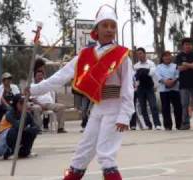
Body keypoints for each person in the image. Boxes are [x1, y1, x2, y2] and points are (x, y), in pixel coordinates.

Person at [27, 5, 134, 180]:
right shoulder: (85, 54)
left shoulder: (122, 55)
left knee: (106, 155)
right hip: (97, 108)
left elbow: (128, 87)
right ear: (96, 30)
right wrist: (33, 89)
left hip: (116, 108)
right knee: (81, 154)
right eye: (104, 25)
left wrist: (125, 115)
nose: (109, 29)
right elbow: (60, 77)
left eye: (112, 26)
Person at [0, 94, 39, 159]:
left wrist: (33, 130)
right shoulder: (9, 113)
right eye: (22, 103)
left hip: (16, 134)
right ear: (16, 104)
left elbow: (36, 127)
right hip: (2, 141)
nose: (25, 105)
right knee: (14, 131)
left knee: (32, 132)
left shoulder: (27, 114)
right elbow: (18, 126)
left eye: (25, 102)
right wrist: (28, 127)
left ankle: (24, 152)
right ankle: (10, 152)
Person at [175, 38, 193, 130]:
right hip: (184, 84)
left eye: (189, 44)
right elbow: (179, 68)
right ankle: (186, 123)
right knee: (184, 105)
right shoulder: (179, 56)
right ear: (183, 46)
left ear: (192, 45)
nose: (188, 46)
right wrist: (191, 65)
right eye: (186, 44)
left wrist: (186, 64)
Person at [134, 47, 162, 130]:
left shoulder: (151, 63)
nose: (139, 55)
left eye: (141, 53)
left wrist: (141, 72)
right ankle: (148, 124)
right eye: (137, 54)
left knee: (153, 106)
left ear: (144, 54)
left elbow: (151, 73)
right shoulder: (136, 65)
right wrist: (143, 72)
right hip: (140, 88)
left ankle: (157, 124)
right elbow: (135, 77)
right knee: (142, 108)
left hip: (149, 87)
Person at [155, 51, 182, 130]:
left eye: (169, 56)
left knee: (178, 108)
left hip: (175, 89)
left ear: (171, 57)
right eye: (165, 56)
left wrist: (173, 81)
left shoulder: (175, 66)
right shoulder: (159, 67)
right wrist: (165, 81)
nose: (167, 57)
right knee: (165, 108)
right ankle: (167, 125)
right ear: (162, 58)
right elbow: (158, 76)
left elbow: (178, 74)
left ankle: (179, 125)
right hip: (163, 90)